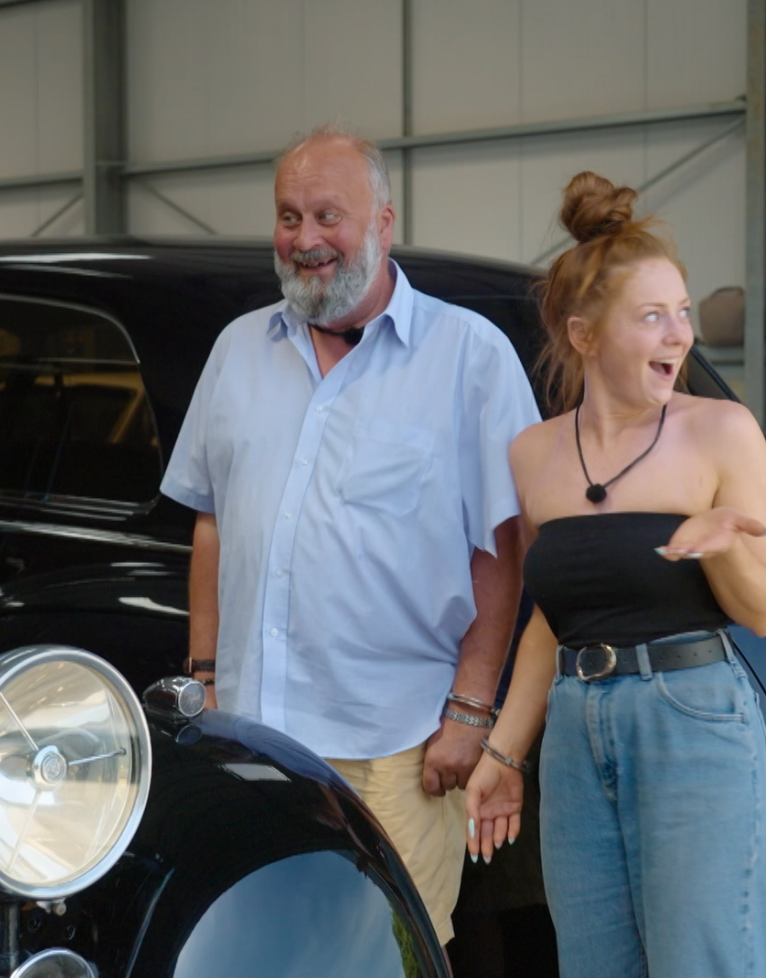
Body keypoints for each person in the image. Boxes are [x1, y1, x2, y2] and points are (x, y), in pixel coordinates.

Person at [159, 123, 541, 946]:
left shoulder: (469, 357)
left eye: (328, 216)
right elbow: (212, 525)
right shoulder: (237, 350)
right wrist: (204, 676)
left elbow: (500, 551)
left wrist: (473, 709)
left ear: (383, 222)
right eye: (288, 217)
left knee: (385, 955)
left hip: (395, 745)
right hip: (254, 737)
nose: (306, 240)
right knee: (260, 947)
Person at [464, 172, 766, 978]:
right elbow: (551, 621)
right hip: (576, 728)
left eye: (681, 313)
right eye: (653, 317)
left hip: (693, 719)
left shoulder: (722, 432)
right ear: (585, 334)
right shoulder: (533, 455)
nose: (679, 335)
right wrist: (503, 759)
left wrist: (724, 548)